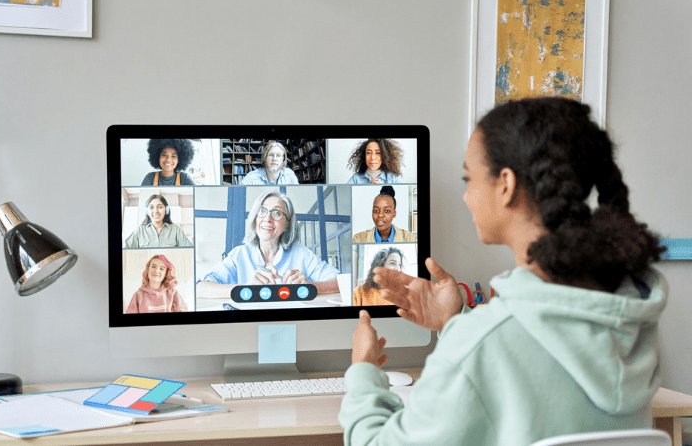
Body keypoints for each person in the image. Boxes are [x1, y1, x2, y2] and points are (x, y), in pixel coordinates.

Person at [339, 97, 668, 445]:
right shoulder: (630, 324)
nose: (466, 197)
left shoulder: (482, 345)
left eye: (469, 179)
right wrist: (457, 321)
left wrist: (363, 372)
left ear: (506, 185)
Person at [197, 189, 339, 298]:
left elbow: (341, 282)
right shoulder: (239, 254)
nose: (268, 218)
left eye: (277, 213)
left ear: (286, 224)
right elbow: (200, 288)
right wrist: (246, 288)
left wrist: (310, 287)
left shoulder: (301, 253)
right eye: (262, 211)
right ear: (255, 218)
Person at [352, 186, 416, 243]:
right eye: (376, 210)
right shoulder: (358, 239)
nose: (380, 215)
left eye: (387, 211)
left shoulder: (410, 238)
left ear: (394, 214)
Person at [124, 194, 192, 248]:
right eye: (151, 207)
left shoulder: (176, 230)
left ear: (166, 210)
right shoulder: (140, 230)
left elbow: (189, 251)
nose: (156, 211)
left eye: (160, 207)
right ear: (147, 211)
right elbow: (125, 251)